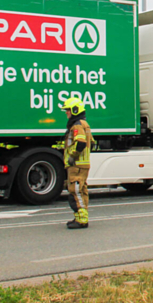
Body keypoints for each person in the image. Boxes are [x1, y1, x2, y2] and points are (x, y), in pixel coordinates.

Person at [61, 95, 93, 229]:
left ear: (75, 110)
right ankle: (79, 217)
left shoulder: (77, 126)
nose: (67, 113)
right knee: (81, 190)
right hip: (82, 164)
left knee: (76, 190)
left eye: (68, 110)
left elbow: (80, 143)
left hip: (77, 164)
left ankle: (82, 219)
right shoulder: (84, 124)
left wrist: (72, 156)